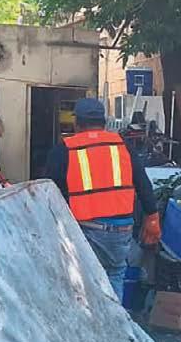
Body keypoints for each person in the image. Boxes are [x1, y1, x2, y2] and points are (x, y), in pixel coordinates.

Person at [46, 98, 161, 297]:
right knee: (115, 274)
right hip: (121, 230)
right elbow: (142, 183)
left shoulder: (65, 149)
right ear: (104, 122)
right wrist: (152, 216)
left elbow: (51, 191)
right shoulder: (122, 145)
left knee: (84, 281)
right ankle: (115, 315)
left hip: (86, 230)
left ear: (77, 123)